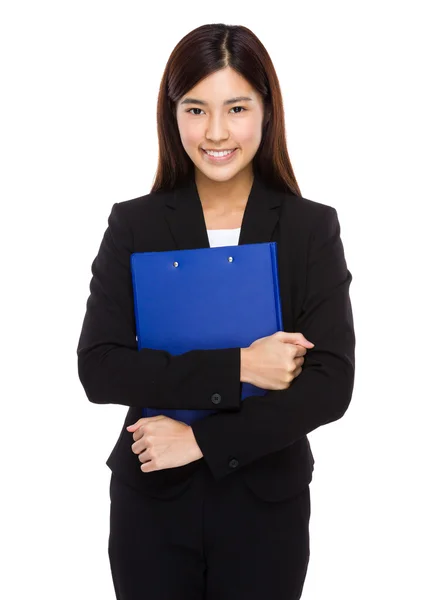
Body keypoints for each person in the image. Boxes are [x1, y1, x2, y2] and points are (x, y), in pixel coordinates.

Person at [76, 22, 356, 600]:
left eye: (236, 107)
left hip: (266, 505)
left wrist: (202, 441)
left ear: (266, 112)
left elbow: (331, 384)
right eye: (196, 110)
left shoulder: (309, 228)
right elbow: (100, 367)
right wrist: (241, 367)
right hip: (151, 503)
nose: (217, 132)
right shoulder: (136, 224)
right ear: (172, 114)